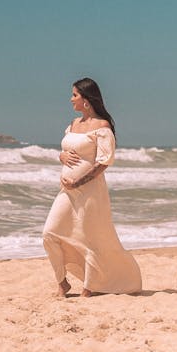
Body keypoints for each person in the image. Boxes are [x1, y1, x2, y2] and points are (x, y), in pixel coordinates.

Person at [42, 77, 142, 297]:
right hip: (67, 192)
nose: (71, 99)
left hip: (90, 192)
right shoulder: (73, 125)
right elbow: (68, 151)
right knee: (49, 233)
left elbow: (104, 162)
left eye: (75, 95)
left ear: (86, 100)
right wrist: (61, 156)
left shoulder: (102, 127)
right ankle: (62, 282)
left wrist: (78, 181)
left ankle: (90, 286)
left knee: (89, 238)